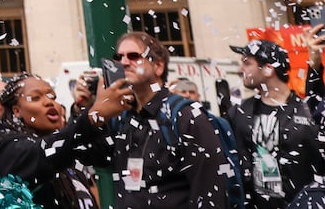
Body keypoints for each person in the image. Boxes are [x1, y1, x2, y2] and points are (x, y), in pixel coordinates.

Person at [108, 31, 229, 209]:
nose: (124, 62)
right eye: (119, 57)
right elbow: (89, 155)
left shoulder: (186, 116)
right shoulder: (122, 117)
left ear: (158, 66)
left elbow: (211, 190)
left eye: (134, 56)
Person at [0, 74, 131, 209]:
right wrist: (94, 116)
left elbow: (103, 154)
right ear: (16, 110)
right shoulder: (7, 147)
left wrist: (85, 108)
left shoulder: (62, 146)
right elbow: (45, 152)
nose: (49, 102)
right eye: (35, 98)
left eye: (52, 96)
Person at [225, 39, 325, 206]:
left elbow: (318, 106)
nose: (240, 70)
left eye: (247, 63)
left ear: (268, 68)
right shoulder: (239, 113)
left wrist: (314, 65)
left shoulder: (306, 112)